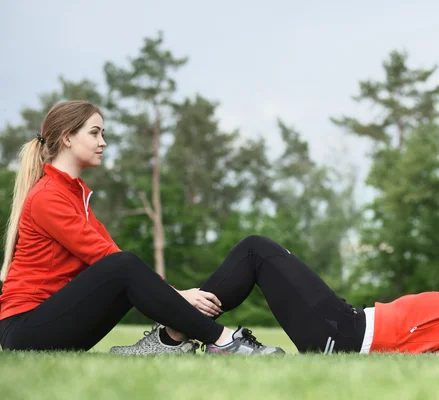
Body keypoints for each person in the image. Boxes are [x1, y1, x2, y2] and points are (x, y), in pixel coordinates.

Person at [0, 100, 283, 356]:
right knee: (121, 264)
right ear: (67, 139)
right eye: (95, 132)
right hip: (26, 329)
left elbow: (114, 260)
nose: (103, 142)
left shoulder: (75, 195)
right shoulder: (48, 196)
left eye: (103, 134)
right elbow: (105, 258)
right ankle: (223, 341)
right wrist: (177, 295)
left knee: (123, 264)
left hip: (55, 322)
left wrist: (174, 295)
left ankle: (169, 340)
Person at [117, 235, 439, 354]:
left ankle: (174, 333)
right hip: (349, 321)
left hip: (344, 336)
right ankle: (177, 331)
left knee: (257, 252)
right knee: (258, 252)